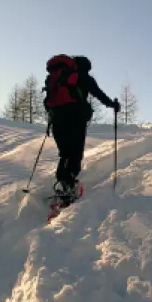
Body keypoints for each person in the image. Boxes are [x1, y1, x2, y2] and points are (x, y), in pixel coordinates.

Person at [43, 54, 120, 201]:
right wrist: (113, 104)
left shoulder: (57, 78)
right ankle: (69, 185)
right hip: (75, 117)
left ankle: (63, 181)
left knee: (65, 153)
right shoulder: (82, 77)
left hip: (57, 119)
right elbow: (98, 94)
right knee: (75, 152)